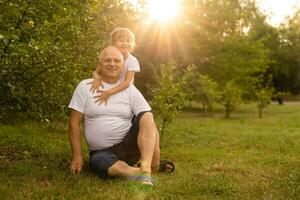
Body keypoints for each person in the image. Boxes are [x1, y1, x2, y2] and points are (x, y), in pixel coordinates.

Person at [68, 46, 174, 186]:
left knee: (147, 115)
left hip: (130, 145)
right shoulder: (85, 86)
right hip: (102, 152)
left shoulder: (129, 89)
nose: (112, 64)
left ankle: (147, 167)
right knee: (109, 167)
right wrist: (77, 155)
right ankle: (143, 171)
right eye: (107, 60)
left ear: (123, 65)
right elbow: (73, 123)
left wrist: (156, 152)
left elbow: (149, 122)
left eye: (117, 60)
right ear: (100, 64)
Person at [89, 27, 140, 105]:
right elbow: (96, 72)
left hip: (124, 91)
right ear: (113, 43)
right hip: (109, 85)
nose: (125, 43)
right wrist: (96, 78)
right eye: (121, 41)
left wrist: (109, 92)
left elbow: (127, 83)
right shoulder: (108, 56)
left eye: (128, 41)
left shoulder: (132, 61)